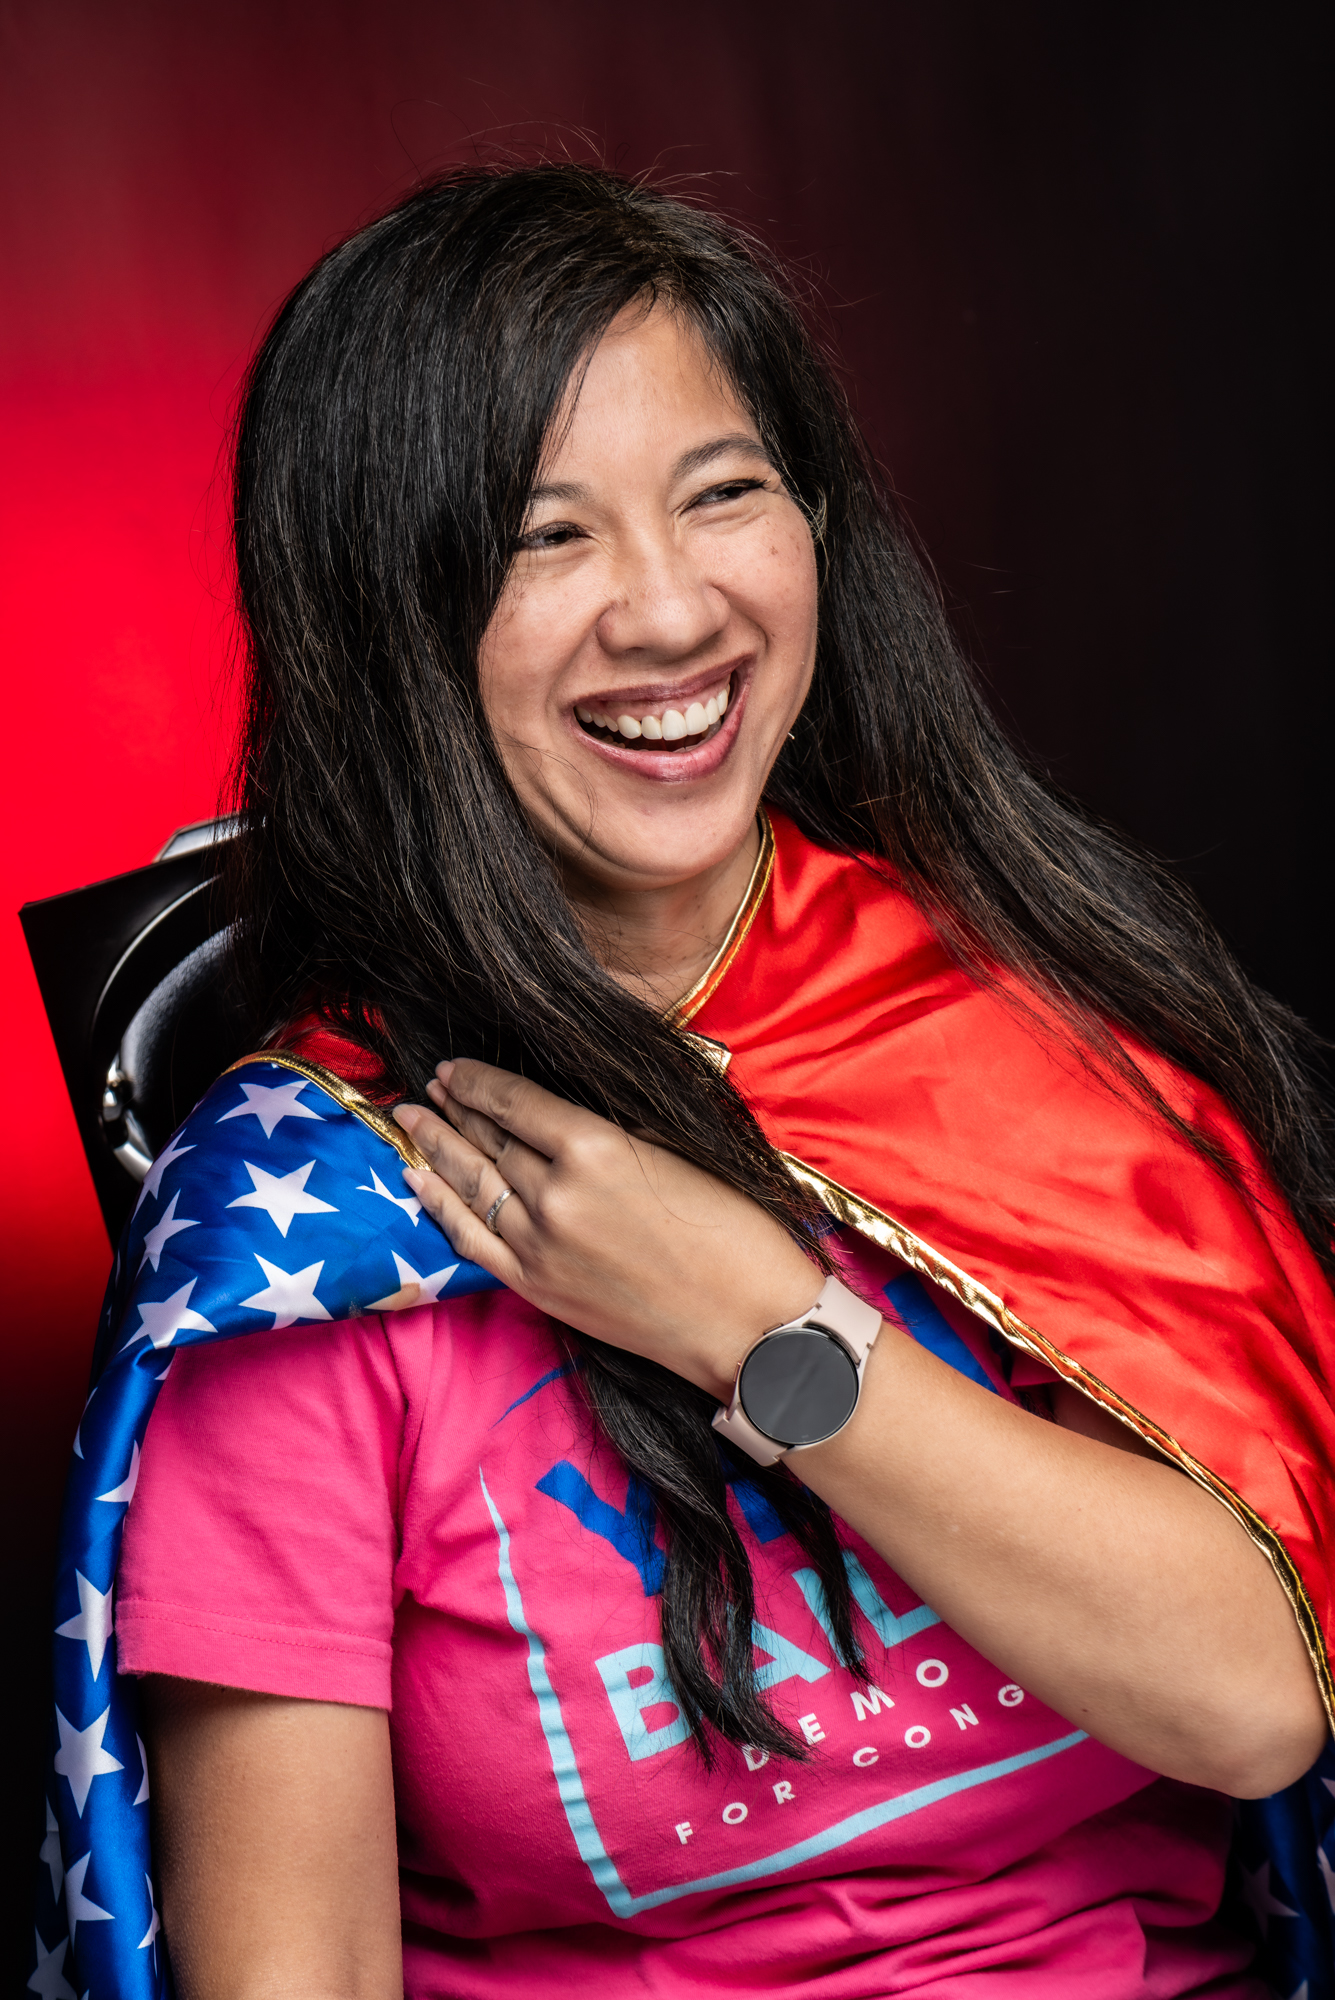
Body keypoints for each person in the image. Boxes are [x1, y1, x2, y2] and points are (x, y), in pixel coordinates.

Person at [97, 165, 1334, 1996]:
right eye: (545, 537)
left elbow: (1252, 1700)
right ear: (383, 623)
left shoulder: (1016, 1027)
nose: (670, 612)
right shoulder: (313, 1221)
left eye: (724, 493)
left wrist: (758, 1322)